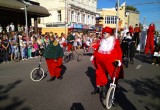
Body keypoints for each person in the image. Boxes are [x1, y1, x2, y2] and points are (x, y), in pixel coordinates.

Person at [90, 26, 124, 96]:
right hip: (100, 61)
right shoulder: (101, 40)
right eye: (103, 33)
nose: (104, 34)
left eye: (105, 33)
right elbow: (98, 49)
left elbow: (119, 51)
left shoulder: (114, 40)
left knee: (114, 75)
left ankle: (113, 91)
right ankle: (99, 88)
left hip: (111, 62)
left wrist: (119, 60)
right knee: (99, 74)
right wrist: (94, 55)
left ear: (110, 33)